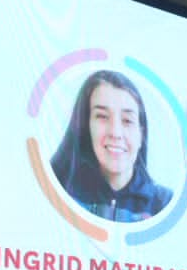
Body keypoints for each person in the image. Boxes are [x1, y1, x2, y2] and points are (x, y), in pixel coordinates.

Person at [50, 70, 173, 222]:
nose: (115, 132)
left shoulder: (165, 205)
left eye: (127, 120)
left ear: (141, 134)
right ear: (85, 126)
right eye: (102, 116)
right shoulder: (56, 190)